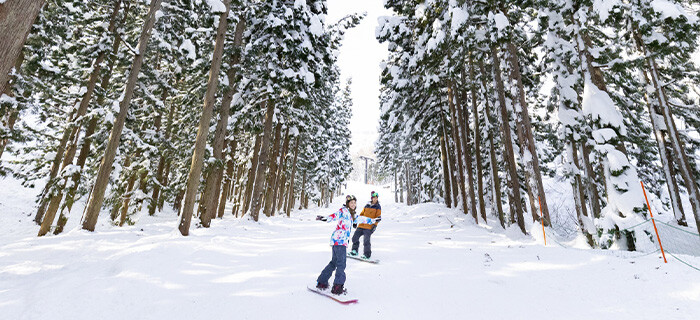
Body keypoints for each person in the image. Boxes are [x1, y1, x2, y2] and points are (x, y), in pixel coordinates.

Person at [315, 195, 380, 295]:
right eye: (351, 203)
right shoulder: (344, 211)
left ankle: (322, 282)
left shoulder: (352, 214)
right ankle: (337, 287)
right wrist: (324, 218)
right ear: (348, 203)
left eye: (354, 203)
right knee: (341, 263)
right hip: (339, 241)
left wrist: (373, 220)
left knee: (334, 262)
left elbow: (362, 219)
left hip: (338, 241)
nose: (353, 204)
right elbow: (334, 216)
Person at [349, 191, 382, 259]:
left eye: (376, 198)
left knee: (366, 240)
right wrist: (356, 222)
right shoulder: (367, 205)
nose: (375, 199)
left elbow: (378, 217)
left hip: (369, 226)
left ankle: (367, 254)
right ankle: (354, 251)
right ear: (372, 198)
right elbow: (361, 215)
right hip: (361, 225)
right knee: (355, 237)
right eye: (374, 198)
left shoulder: (378, 207)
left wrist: (375, 225)